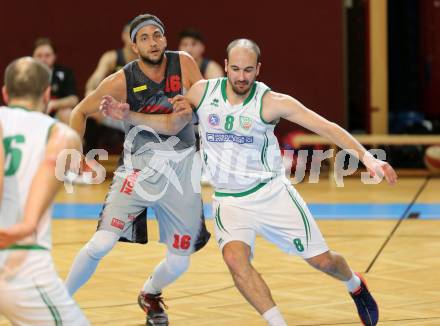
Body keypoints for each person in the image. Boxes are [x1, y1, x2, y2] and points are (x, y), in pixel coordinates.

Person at [101, 38, 399, 326]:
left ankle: (355, 285)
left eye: (248, 70)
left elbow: (327, 127)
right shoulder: (203, 93)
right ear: (227, 65)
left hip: (271, 194)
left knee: (323, 261)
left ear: (258, 69)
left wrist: (368, 159)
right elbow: (169, 124)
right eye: (236, 69)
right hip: (230, 200)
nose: (241, 77)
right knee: (235, 259)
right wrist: (131, 116)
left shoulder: (271, 102)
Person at [65, 13, 210, 326]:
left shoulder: (183, 62)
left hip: (182, 167)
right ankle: (59, 302)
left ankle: (150, 293)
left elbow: (206, 102)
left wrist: (195, 108)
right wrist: (75, 154)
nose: (152, 42)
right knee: (101, 243)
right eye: (143, 37)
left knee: (180, 261)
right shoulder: (121, 79)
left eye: (156, 35)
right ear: (133, 46)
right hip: (138, 168)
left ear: (165, 39)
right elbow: (79, 111)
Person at [0, 57, 89, 325]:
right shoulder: (60, 134)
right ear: (48, 94)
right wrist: (27, 224)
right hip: (21, 259)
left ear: (5, 93)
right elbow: (56, 165)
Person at [33, 37, 79, 124]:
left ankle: (74, 138)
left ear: (54, 56)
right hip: (33, 113)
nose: (43, 59)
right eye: (39, 56)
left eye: (47, 55)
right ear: (33, 57)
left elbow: (74, 99)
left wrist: (53, 104)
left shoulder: (65, 73)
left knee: (66, 112)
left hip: (56, 115)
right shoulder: (26, 76)